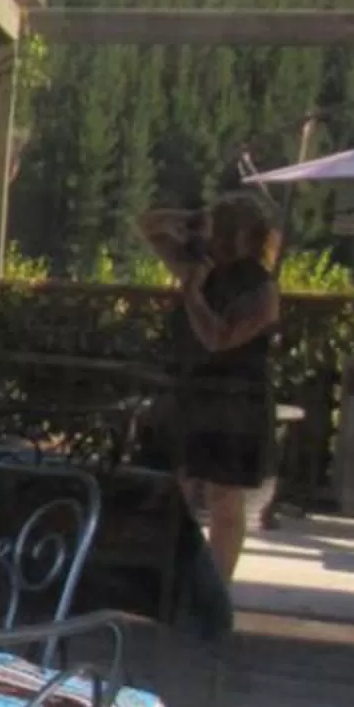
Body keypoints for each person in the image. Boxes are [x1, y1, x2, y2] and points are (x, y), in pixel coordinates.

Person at [137, 190, 282, 584]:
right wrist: (195, 214)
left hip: (236, 396)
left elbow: (218, 339)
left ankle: (216, 585)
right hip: (194, 390)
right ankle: (178, 579)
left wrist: (193, 296)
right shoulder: (199, 264)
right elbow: (148, 224)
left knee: (225, 494)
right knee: (179, 485)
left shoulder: (260, 288)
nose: (213, 234)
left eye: (221, 226)